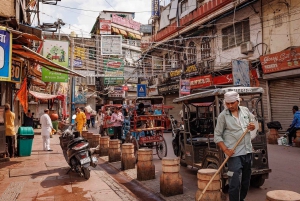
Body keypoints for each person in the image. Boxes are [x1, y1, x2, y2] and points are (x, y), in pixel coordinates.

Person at [214, 91, 255, 201]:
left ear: (238, 100)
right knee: (234, 183)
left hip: (247, 151)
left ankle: (242, 199)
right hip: (234, 154)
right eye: (228, 103)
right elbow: (217, 136)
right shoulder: (223, 116)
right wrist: (225, 150)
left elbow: (253, 124)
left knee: (246, 182)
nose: (230, 106)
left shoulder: (246, 111)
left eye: (232, 103)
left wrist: (252, 126)